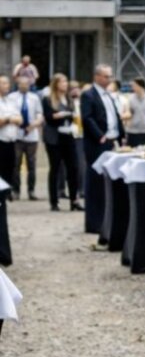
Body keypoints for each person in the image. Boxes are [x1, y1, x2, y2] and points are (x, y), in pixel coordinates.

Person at [80, 64, 125, 236]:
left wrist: (121, 135)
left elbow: (115, 117)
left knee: (107, 182)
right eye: (106, 76)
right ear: (97, 76)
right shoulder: (88, 95)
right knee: (95, 183)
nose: (109, 79)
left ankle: (106, 220)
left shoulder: (110, 96)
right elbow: (87, 118)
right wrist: (100, 136)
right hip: (97, 143)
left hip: (112, 141)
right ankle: (93, 223)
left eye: (110, 76)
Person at [42, 73, 83, 212]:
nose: (65, 84)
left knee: (74, 167)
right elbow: (49, 117)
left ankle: (74, 200)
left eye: (66, 81)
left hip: (68, 135)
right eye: (62, 82)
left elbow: (72, 115)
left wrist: (67, 116)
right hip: (54, 137)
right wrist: (61, 115)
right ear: (56, 84)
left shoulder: (69, 98)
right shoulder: (48, 99)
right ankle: (54, 201)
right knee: (55, 168)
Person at [9, 74, 42, 200]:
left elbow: (39, 113)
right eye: (22, 84)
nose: (24, 86)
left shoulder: (34, 98)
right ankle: (16, 190)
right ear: (18, 85)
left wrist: (35, 123)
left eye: (27, 84)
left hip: (31, 135)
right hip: (16, 134)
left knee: (31, 165)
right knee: (15, 165)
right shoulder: (12, 98)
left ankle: (31, 190)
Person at [0, 75, 21, 194]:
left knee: (10, 168)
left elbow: (20, 119)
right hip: (1, 139)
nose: (6, 86)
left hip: (11, 140)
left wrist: (7, 119)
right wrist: (9, 119)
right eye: (3, 83)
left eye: (7, 83)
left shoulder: (10, 101)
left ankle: (6, 193)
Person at [125, 78, 145, 146]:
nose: (132, 88)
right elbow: (128, 111)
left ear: (140, 86)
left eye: (134, 85)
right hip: (133, 131)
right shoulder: (130, 98)